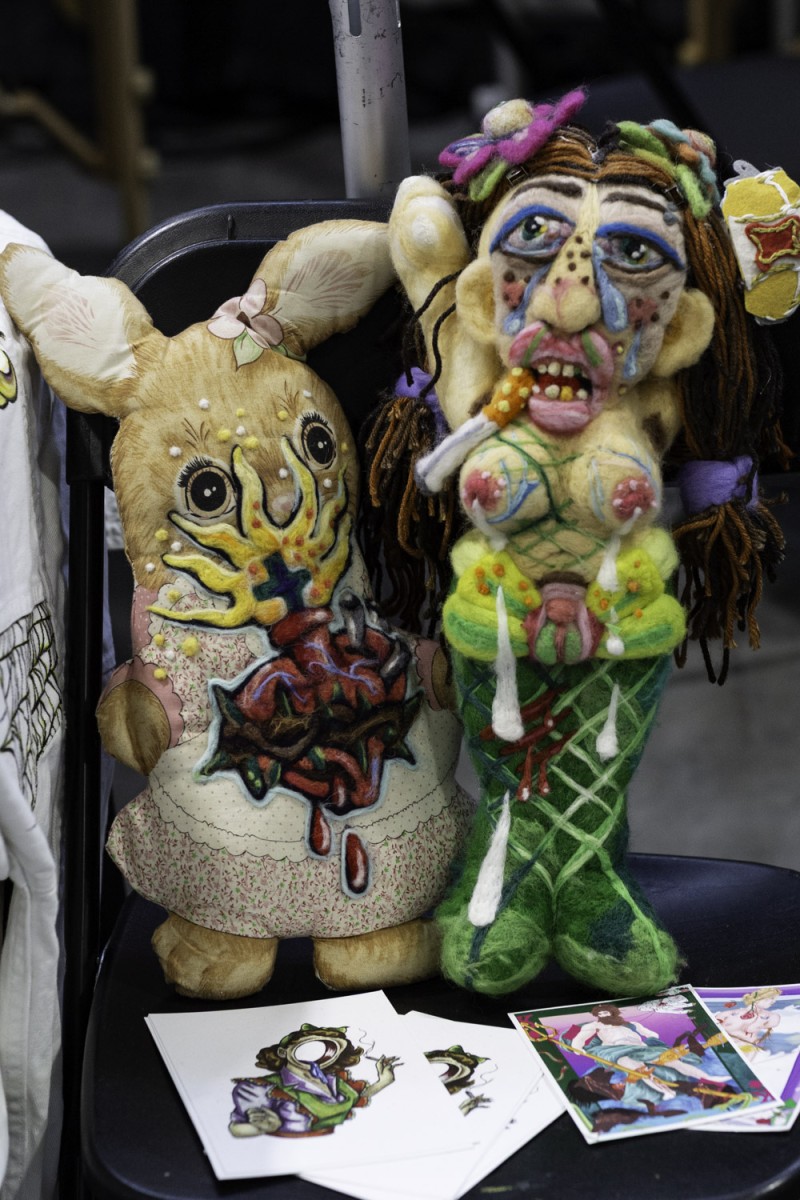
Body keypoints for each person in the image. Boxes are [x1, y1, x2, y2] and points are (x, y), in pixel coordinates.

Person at [229, 1024, 398, 1137]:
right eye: (307, 1046)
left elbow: (354, 1099)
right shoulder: (259, 1087)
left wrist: (383, 1082)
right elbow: (236, 1127)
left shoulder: (333, 1080)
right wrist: (268, 1126)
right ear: (283, 1052)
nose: (315, 1052)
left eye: (327, 1047)